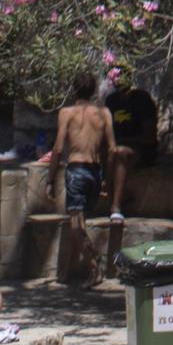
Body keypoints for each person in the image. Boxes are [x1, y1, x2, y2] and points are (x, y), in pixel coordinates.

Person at [48, 71, 115, 288]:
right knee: (77, 222)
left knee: (76, 225)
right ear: (94, 90)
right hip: (96, 170)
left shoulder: (66, 113)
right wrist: (106, 178)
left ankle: (95, 266)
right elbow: (112, 149)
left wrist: (50, 179)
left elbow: (58, 148)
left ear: (73, 89)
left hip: (76, 169)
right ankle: (66, 272)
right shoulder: (104, 114)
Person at [103, 64, 159, 221]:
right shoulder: (111, 101)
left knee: (120, 152)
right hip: (115, 146)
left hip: (139, 148)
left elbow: (149, 136)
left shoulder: (142, 99)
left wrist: (124, 142)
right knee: (107, 151)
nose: (117, 80)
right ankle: (106, 196)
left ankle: (115, 206)